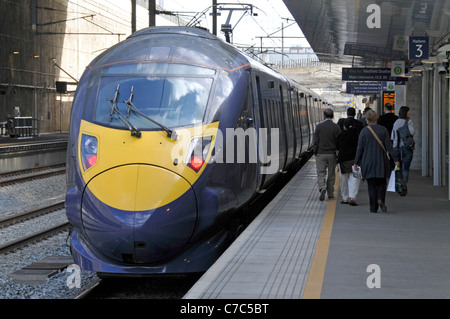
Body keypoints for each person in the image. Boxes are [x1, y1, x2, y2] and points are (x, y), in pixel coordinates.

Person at [354, 109, 400, 213]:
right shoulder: (383, 130)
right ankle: (381, 199)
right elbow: (389, 147)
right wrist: (396, 159)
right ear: (376, 118)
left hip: (368, 162)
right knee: (381, 183)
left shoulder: (364, 131)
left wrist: (356, 162)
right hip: (381, 161)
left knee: (371, 185)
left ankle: (373, 208)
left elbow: (359, 149)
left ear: (367, 119)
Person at [313, 108, 341, 201]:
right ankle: (330, 193)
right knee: (331, 174)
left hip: (321, 153)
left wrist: (315, 152)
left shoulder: (319, 126)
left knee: (321, 173)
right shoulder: (336, 127)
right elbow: (339, 142)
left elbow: (315, 141)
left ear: (324, 116)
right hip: (332, 154)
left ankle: (322, 187)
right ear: (333, 116)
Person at [337, 118, 361, 206]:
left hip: (343, 161)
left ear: (344, 126)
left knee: (343, 180)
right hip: (355, 160)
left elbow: (337, 147)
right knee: (355, 179)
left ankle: (344, 198)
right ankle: (353, 197)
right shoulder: (357, 135)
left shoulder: (341, 135)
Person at [392, 106, 415, 183]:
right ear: (405, 113)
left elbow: (393, 137)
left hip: (396, 148)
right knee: (405, 168)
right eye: (408, 112)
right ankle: (403, 187)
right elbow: (412, 132)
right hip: (406, 148)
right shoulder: (408, 122)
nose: (410, 113)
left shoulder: (396, 122)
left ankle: (397, 184)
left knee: (398, 167)